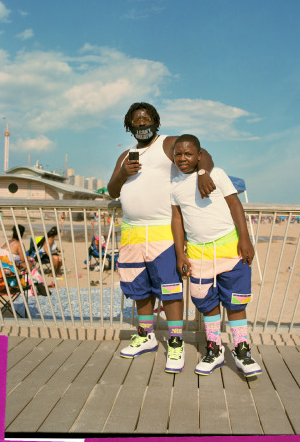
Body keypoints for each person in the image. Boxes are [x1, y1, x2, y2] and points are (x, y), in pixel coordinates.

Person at [107, 102, 216, 374]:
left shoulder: (168, 143)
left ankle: (176, 342)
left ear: (155, 121)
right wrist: (123, 173)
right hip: (132, 231)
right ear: (129, 126)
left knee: (169, 288)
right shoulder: (125, 156)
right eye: (136, 121)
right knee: (139, 287)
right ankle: (146, 336)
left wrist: (203, 173)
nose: (142, 125)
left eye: (146, 120)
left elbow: (203, 156)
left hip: (162, 230)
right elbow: (111, 190)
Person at [170, 134, 262, 377]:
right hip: (198, 254)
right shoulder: (175, 185)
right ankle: (215, 349)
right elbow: (177, 219)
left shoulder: (217, 174)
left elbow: (235, 205)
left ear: (199, 156)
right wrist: (180, 254)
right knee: (207, 302)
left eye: (189, 154)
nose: (183, 158)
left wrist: (245, 239)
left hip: (230, 249)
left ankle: (242, 350)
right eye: (178, 154)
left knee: (236, 301)